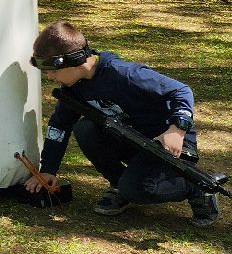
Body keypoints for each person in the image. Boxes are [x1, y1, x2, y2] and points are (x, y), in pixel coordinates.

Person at [24, 21, 219, 226]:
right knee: (85, 129)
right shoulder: (73, 89)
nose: (50, 77)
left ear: (75, 60)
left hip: (168, 145)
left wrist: (176, 130)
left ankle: (197, 187)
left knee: (138, 189)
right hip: (133, 141)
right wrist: (48, 169)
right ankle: (120, 184)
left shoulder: (124, 74)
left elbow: (180, 91)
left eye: (53, 70)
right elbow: (59, 126)